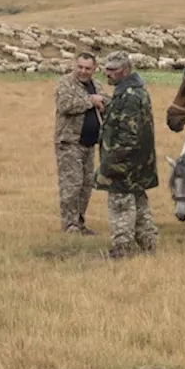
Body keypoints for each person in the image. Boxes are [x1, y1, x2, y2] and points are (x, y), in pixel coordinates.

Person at [94, 51, 160, 258]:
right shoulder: (133, 91)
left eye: (112, 70)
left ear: (125, 70)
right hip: (139, 165)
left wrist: (108, 163)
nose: (107, 73)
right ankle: (149, 245)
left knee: (120, 206)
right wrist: (107, 105)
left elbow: (128, 136)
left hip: (125, 165)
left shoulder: (129, 96)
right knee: (140, 206)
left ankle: (122, 249)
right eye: (106, 68)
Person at [54, 52, 108, 234]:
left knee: (86, 185)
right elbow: (65, 105)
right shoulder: (65, 83)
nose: (83, 71)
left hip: (89, 144)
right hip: (70, 142)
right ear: (74, 65)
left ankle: (80, 223)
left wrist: (103, 104)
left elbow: (106, 101)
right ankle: (70, 225)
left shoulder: (97, 85)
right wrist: (90, 101)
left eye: (87, 68)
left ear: (94, 69)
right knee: (72, 184)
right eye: (80, 67)